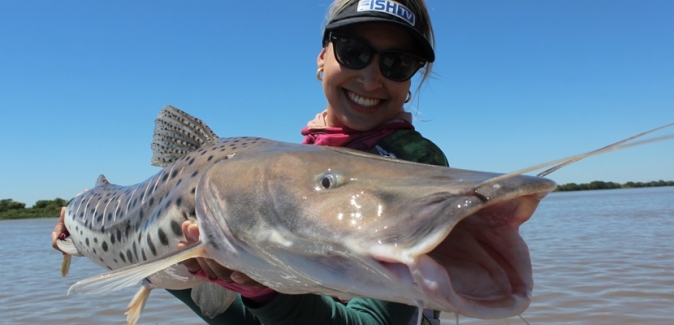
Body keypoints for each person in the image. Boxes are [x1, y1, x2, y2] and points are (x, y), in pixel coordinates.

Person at [52, 0, 448, 324]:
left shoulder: (417, 165)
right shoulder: (290, 166)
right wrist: (178, 273)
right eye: (354, 52)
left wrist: (257, 290)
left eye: (398, 62)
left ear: (412, 78)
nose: (371, 77)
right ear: (323, 57)